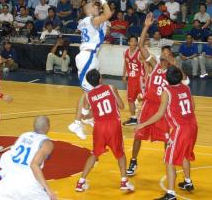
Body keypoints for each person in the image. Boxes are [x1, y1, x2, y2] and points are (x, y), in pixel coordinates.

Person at [135, 66, 198, 200]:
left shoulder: (167, 92)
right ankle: (188, 182)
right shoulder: (186, 88)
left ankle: (170, 194)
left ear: (166, 79)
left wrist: (143, 124)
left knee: (169, 160)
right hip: (193, 126)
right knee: (185, 155)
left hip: (181, 129)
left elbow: (159, 114)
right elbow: (193, 107)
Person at [127, 13, 175, 177]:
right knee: (138, 135)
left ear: (171, 57)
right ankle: (133, 161)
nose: (165, 55)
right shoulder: (154, 64)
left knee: (166, 138)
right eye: (164, 52)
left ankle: (168, 161)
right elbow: (141, 46)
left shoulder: (173, 73)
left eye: (168, 53)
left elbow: (184, 84)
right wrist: (146, 27)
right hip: (148, 106)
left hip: (162, 109)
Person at [75, 69, 135, 192]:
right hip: (113, 125)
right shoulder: (111, 88)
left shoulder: (88, 96)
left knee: (94, 154)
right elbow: (122, 106)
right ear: (100, 78)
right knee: (120, 154)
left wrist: (81, 117)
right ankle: (124, 182)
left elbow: (86, 114)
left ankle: (80, 183)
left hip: (99, 127)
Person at [68, 0, 112, 140]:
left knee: (93, 89)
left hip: (91, 57)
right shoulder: (92, 20)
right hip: (88, 57)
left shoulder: (86, 22)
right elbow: (108, 14)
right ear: (90, 10)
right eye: (95, 6)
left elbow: (105, 22)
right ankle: (76, 123)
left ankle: (86, 117)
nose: (97, 7)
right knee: (88, 93)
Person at [0, 116, 56, 200]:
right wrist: (48, 190)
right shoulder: (47, 143)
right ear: (48, 127)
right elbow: (34, 165)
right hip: (29, 186)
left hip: (7, 184)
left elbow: (7, 157)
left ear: (34, 125)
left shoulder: (23, 136)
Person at [122, 36, 143, 126]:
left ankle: (147, 115)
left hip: (140, 79)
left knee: (145, 97)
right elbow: (125, 63)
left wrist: (146, 76)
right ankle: (133, 118)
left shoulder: (140, 53)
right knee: (130, 100)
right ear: (129, 42)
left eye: (135, 41)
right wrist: (124, 74)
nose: (133, 43)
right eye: (132, 41)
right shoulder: (125, 52)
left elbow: (146, 65)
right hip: (131, 79)